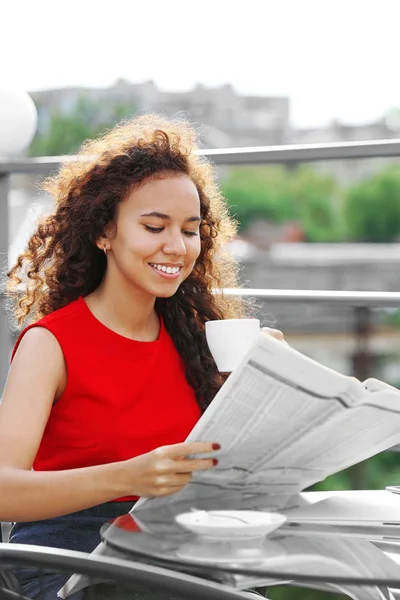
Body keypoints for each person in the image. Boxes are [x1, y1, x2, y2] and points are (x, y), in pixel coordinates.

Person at [0, 114, 256, 599]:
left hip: (180, 550)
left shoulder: (200, 340)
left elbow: (231, 471)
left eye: (190, 229)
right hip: (72, 555)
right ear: (104, 232)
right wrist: (129, 477)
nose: (177, 247)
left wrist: (269, 385)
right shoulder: (50, 343)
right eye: (155, 226)